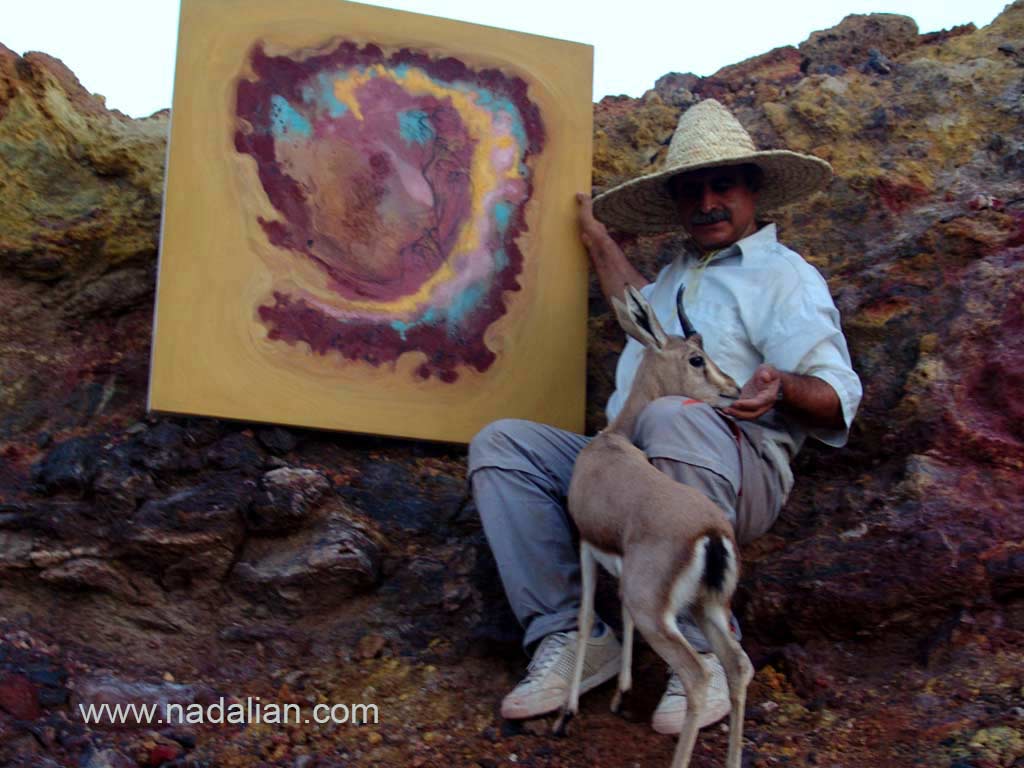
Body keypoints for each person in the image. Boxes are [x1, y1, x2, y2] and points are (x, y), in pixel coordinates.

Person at [468, 99, 862, 734]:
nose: (707, 201)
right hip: (633, 471)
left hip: (737, 466)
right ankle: (574, 633)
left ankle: (705, 651)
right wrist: (596, 238)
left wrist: (779, 384)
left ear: (753, 190)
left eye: (723, 185)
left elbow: (839, 394)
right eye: (692, 189)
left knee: (673, 415)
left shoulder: (784, 278)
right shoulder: (678, 274)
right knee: (504, 446)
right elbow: (635, 305)